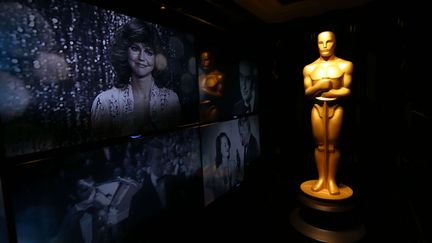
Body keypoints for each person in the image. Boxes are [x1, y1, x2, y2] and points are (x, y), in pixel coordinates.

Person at [91, 19, 181, 138]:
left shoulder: (171, 99)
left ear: (157, 58)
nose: (141, 58)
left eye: (148, 52)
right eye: (135, 48)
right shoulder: (104, 102)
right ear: (125, 51)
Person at [303, 31, 353, 195]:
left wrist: (329, 91)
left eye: (328, 42)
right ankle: (321, 179)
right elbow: (308, 92)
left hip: (335, 108)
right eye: (320, 42)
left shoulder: (345, 65)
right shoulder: (309, 68)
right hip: (317, 108)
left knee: (332, 145)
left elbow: (346, 90)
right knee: (320, 145)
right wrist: (321, 86)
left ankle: (331, 179)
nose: (324, 46)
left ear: (335, 43)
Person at [203, 132, 235, 205]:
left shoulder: (234, 163)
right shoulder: (215, 171)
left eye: (228, 143)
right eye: (224, 145)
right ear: (219, 149)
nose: (227, 147)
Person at [198, 51, 225, 122]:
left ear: (211, 60)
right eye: (202, 60)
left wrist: (205, 91)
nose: (203, 63)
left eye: (206, 60)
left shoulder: (218, 76)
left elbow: (220, 95)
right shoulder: (200, 77)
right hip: (201, 110)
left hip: (212, 109)